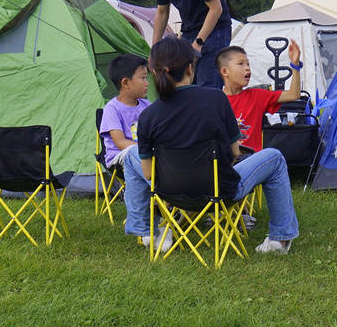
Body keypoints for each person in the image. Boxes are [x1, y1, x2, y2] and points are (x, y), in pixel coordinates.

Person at [121, 37, 299, 254]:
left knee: (129, 156)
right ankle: (279, 240)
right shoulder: (216, 99)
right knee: (274, 156)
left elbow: (149, 174)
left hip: (169, 192)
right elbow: (234, 153)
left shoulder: (148, 115)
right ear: (189, 67)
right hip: (220, 191)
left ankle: (148, 232)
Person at [132, 0, 233, 89]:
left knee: (207, 86)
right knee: (182, 83)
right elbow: (162, 11)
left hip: (215, 30)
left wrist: (199, 42)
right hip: (189, 31)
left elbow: (216, 8)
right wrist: (154, 50)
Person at [217, 43, 302, 152]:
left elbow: (293, 94)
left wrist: (295, 65)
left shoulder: (257, 96)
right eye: (241, 64)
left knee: (274, 154)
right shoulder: (215, 101)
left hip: (252, 160)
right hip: (226, 161)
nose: (247, 68)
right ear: (225, 71)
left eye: (248, 64)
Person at [99, 54, 151, 167]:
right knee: (134, 153)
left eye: (146, 78)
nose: (147, 83)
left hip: (146, 154)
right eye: (143, 78)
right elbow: (120, 142)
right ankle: (160, 183)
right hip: (120, 156)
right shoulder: (112, 109)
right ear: (125, 83)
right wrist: (148, 149)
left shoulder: (147, 105)